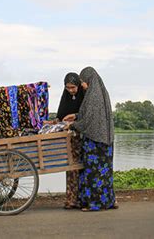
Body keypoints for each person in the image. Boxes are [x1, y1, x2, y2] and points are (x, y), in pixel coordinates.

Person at [65, 67, 117, 211]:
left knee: (92, 174)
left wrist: (73, 124)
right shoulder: (100, 93)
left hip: (95, 142)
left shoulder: (93, 96)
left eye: (82, 81)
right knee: (105, 174)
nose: (82, 84)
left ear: (89, 80)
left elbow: (88, 120)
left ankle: (94, 204)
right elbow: (88, 114)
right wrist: (75, 116)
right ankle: (107, 201)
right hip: (105, 141)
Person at [53, 72, 85, 209]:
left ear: (78, 85)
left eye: (73, 87)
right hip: (70, 140)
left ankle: (83, 199)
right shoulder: (66, 96)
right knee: (71, 169)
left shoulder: (84, 96)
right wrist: (56, 120)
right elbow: (61, 115)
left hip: (83, 137)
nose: (71, 90)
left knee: (82, 169)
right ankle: (71, 200)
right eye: (68, 88)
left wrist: (75, 118)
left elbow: (87, 114)